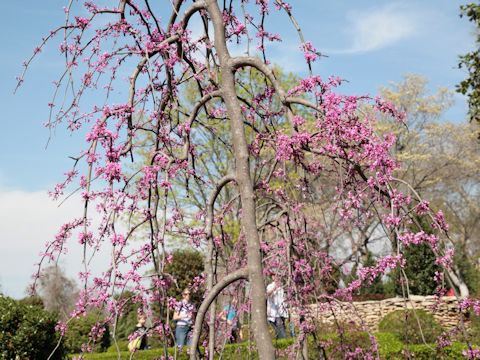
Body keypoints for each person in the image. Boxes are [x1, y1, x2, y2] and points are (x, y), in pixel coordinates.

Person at [266, 274, 288, 339]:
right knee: (281, 330)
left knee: (280, 330)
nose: (277, 277)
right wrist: (274, 288)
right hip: (274, 313)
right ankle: (285, 343)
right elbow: (268, 294)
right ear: (272, 277)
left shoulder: (282, 287)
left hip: (282, 312)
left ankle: (280, 345)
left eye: (278, 276)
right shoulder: (270, 286)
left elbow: (284, 300)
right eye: (275, 276)